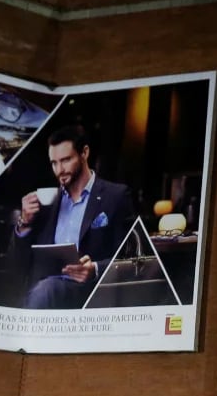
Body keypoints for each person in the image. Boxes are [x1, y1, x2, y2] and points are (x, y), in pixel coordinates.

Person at [12, 125, 139, 309]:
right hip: (45, 292)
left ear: (84, 153)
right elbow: (18, 262)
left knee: (46, 290)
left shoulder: (115, 196)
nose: (59, 170)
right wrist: (24, 223)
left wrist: (95, 269)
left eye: (65, 160)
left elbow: (131, 257)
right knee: (44, 289)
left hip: (88, 293)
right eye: (54, 163)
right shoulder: (47, 202)